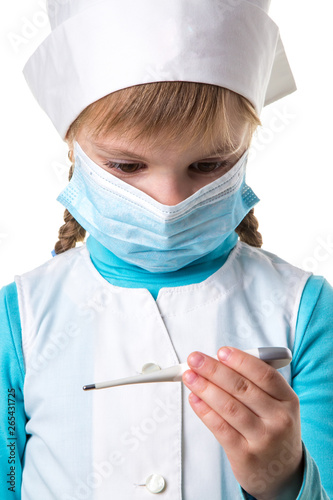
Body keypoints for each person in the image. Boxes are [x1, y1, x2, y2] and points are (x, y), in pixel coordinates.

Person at [0, 1, 332, 499]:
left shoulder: (304, 311)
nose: (170, 203)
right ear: (74, 148)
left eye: (209, 164)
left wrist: (284, 479)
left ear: (245, 152)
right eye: (126, 167)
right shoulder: (19, 317)